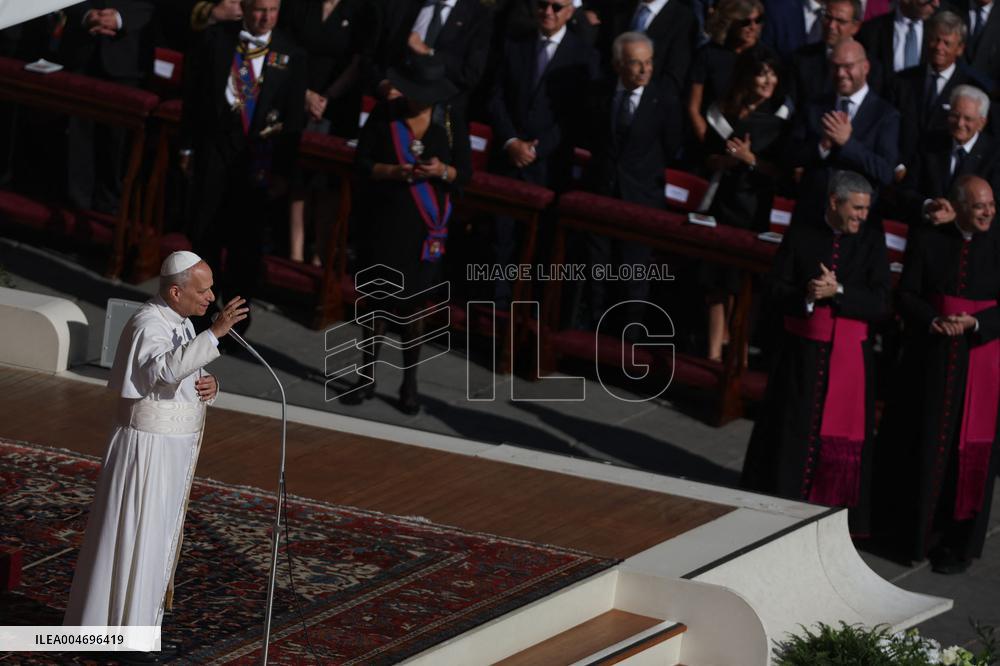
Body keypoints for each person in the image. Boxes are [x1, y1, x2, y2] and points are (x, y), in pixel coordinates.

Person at [64, 251, 248, 629]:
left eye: (212, 289)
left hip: (169, 450)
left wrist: (212, 386)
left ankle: (140, 624)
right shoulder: (149, 324)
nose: (211, 298)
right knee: (137, 538)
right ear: (176, 291)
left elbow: (182, 375)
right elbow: (162, 372)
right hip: (145, 452)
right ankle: (120, 629)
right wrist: (214, 334)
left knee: (157, 537)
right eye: (203, 290)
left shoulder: (180, 322)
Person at [741, 170, 890, 535]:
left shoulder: (871, 241)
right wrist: (807, 295)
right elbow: (775, 289)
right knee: (791, 431)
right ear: (834, 203)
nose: (862, 216)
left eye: (866, 209)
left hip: (849, 360)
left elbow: (882, 304)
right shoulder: (802, 234)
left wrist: (838, 292)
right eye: (855, 208)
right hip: (801, 356)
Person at [875, 175, 1000, 574]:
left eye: (992, 206)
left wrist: (976, 323)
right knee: (921, 443)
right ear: (958, 206)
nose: (988, 213)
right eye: (980, 206)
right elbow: (907, 294)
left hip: (980, 359)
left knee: (969, 454)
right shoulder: (930, 239)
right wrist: (933, 321)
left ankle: (955, 544)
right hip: (930, 360)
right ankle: (909, 536)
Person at [345, 56, 471, 414]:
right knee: (377, 302)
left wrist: (441, 170)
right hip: (384, 222)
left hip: (424, 227)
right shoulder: (385, 115)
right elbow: (362, 164)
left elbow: (465, 174)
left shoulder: (448, 120)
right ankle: (366, 374)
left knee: (413, 306)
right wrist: (393, 171)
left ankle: (409, 383)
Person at [180, 0, 306, 333]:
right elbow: (193, 97)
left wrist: (284, 171)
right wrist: (188, 146)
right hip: (215, 149)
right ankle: (201, 309)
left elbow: (294, 117)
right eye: (258, 9)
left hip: (258, 159)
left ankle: (237, 318)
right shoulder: (216, 39)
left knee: (245, 240)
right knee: (206, 231)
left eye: (273, 10)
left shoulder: (291, 53)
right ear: (244, 8)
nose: (264, 17)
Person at [487, 0, 599, 308]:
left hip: (547, 165)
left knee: (537, 243)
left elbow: (575, 116)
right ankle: (496, 311)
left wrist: (538, 148)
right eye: (541, 4)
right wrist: (511, 141)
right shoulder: (515, 44)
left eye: (556, 6)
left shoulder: (583, 57)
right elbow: (496, 97)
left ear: (571, 12)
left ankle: (526, 311)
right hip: (508, 158)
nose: (547, 12)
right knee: (500, 239)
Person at [583, 31, 682, 334]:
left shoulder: (663, 99)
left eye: (648, 63)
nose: (644, 70)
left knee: (634, 278)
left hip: (641, 198)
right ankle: (589, 335)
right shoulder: (600, 93)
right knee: (595, 271)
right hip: (603, 193)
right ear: (618, 65)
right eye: (636, 64)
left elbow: (672, 145)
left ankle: (628, 344)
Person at [700, 50, 791, 361]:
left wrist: (751, 160)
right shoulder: (723, 110)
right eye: (762, 73)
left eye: (773, 74)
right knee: (717, 282)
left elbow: (783, 170)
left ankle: (737, 355)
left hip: (754, 208)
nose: (769, 80)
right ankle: (712, 354)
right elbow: (706, 157)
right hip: (722, 202)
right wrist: (728, 160)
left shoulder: (779, 118)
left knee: (745, 285)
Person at [282, 0, 371, 265]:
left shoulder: (359, 10)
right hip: (300, 96)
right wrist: (306, 94)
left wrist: (326, 98)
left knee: (329, 181)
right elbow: (287, 45)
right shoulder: (302, 6)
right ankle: (294, 255)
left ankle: (321, 256)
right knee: (298, 177)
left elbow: (358, 61)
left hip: (339, 105)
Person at [60, 0, 155, 214]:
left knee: (117, 143)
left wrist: (121, 18)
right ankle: (75, 208)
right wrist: (86, 14)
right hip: (82, 49)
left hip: (127, 55)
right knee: (78, 135)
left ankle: (109, 211)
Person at [789, 38, 899, 212]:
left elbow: (885, 172)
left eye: (848, 66)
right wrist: (822, 146)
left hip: (857, 220)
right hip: (813, 211)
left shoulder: (885, 115)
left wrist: (847, 143)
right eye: (835, 67)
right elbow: (790, 155)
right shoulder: (814, 106)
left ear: (865, 68)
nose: (840, 73)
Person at [891, 11, 991, 178]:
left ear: (960, 49)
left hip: (940, 178)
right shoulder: (902, 81)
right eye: (935, 39)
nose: (939, 47)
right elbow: (889, 129)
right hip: (899, 173)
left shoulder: (973, 89)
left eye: (946, 43)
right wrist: (897, 166)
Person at [899, 85, 1000, 225]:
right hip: (929, 230)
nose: (960, 123)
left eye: (968, 119)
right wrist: (929, 205)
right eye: (955, 115)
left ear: (982, 123)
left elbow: (995, 207)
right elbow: (907, 190)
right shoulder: (929, 143)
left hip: (972, 238)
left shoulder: (994, 154)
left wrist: (957, 215)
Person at [687, 0, 770, 144]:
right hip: (711, 138)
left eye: (758, 20)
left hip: (752, 142)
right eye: (746, 22)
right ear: (731, 22)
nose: (753, 27)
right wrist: (707, 142)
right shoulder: (708, 54)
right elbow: (693, 107)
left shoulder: (766, 57)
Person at [595, 0, 698, 92]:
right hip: (613, 96)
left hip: (655, 102)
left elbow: (676, 71)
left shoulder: (683, 17)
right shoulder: (619, 9)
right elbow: (605, 53)